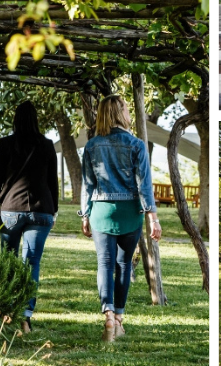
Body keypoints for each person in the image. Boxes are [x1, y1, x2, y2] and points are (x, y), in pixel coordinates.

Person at [79, 95, 162, 342]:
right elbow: (144, 185)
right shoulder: (137, 145)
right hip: (130, 211)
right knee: (124, 265)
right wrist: (153, 219)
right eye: (126, 108)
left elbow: (87, 185)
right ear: (121, 113)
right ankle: (119, 320)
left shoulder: (92, 146)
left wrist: (85, 215)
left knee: (105, 263)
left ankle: (108, 315)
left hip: (101, 210)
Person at [0, 100, 58, 334]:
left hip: (10, 210)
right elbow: (52, 182)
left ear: (15, 119)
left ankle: (6, 312)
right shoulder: (47, 145)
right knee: (31, 264)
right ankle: (25, 318)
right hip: (41, 211)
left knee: (8, 260)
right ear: (36, 120)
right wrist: (53, 210)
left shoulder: (6, 144)